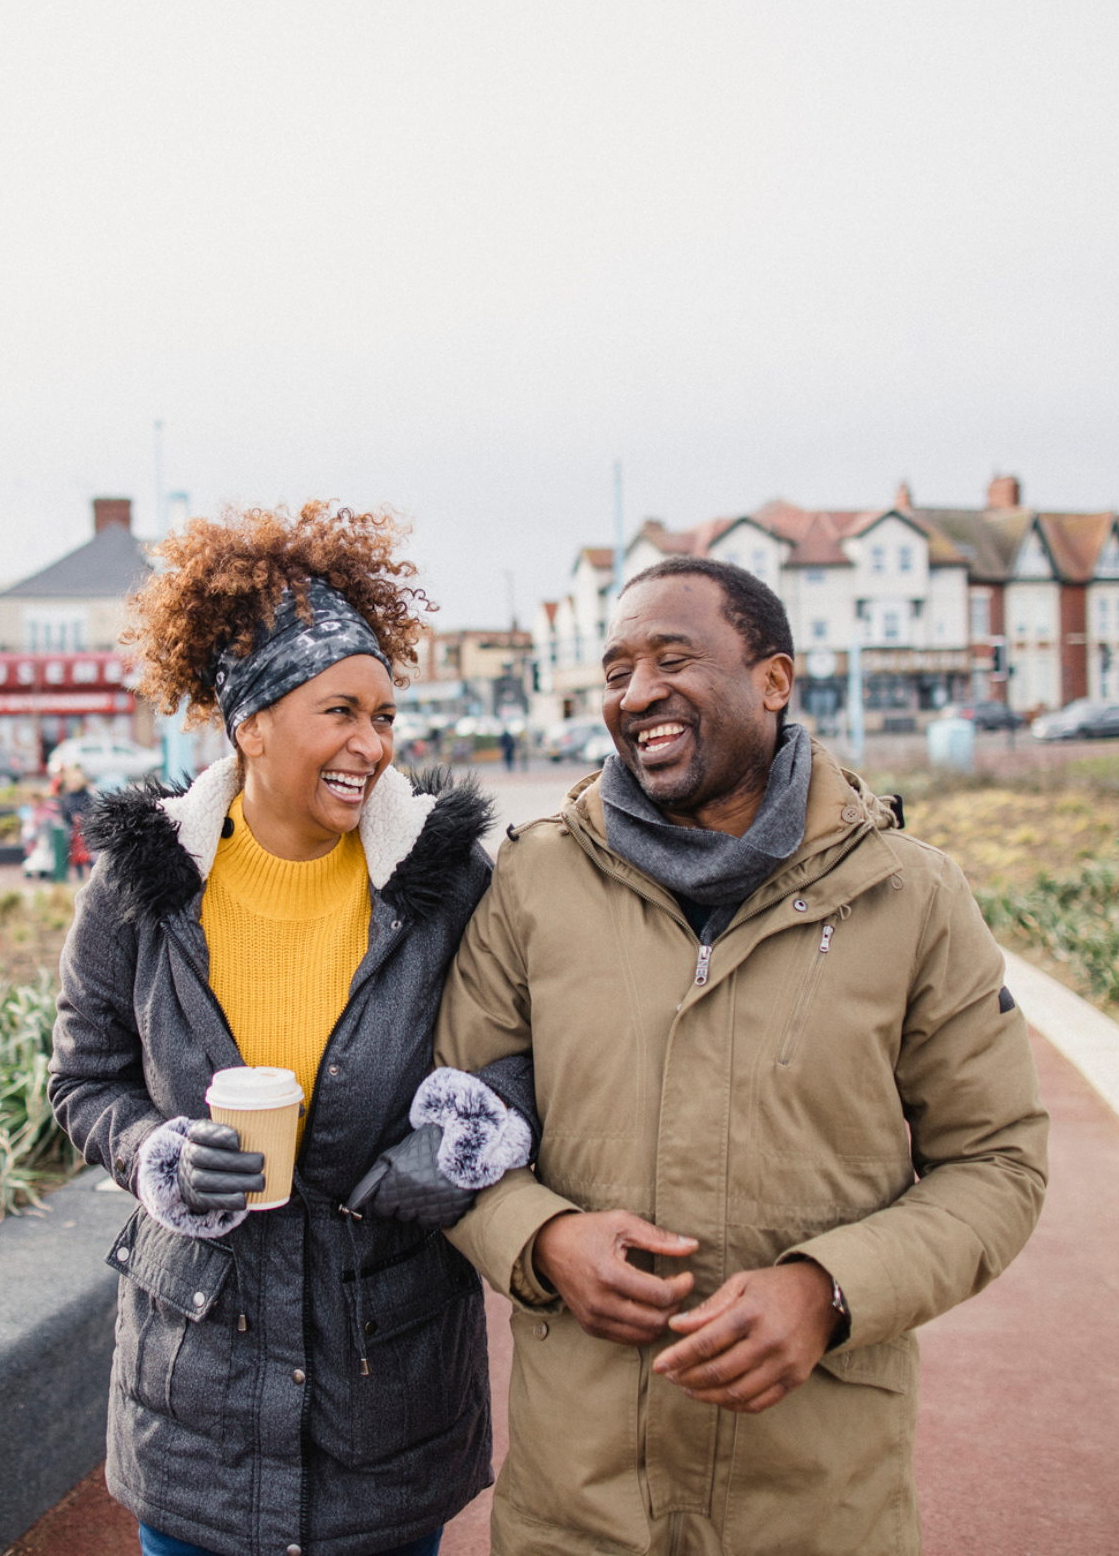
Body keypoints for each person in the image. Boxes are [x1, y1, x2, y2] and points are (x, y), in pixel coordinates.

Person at [436, 556, 1050, 1556]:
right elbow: (450, 1121)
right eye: (616, 669)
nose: (636, 694)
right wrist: (540, 1239)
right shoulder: (534, 877)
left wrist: (829, 1288)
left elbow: (999, 1162)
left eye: (672, 657)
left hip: (815, 1502)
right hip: (579, 1503)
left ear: (774, 679)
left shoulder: (911, 895)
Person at [49, 503, 535, 1556]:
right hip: (196, 1396)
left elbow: (520, 1053)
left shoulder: (446, 882)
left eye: (386, 716)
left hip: (390, 1385)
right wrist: (155, 1152)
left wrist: (463, 1134)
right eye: (341, 711)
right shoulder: (142, 885)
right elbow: (82, 1079)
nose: (373, 743)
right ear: (250, 722)